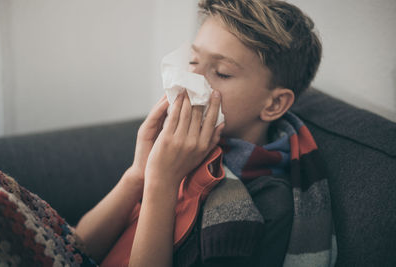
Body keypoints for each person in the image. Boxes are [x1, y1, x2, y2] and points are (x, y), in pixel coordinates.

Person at [64, 0, 336, 266]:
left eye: (222, 72)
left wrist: (162, 183)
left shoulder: (267, 205)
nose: (194, 80)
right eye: (193, 61)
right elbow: (75, 246)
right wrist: (139, 174)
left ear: (274, 104)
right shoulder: (181, 150)